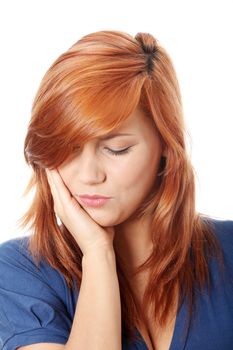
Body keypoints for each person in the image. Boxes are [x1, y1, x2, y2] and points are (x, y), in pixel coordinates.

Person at [0, 30, 232, 350]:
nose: (88, 176)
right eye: (66, 149)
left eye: (117, 149)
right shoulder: (19, 271)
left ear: (166, 143)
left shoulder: (228, 251)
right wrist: (97, 253)